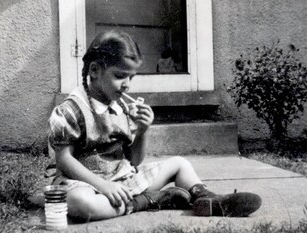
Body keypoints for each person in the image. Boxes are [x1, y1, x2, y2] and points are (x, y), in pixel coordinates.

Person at [47, 30, 261, 222]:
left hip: (121, 181)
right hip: (84, 183)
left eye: (131, 77)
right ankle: (148, 201)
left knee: (179, 164)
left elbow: (134, 161)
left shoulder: (120, 107)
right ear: (94, 70)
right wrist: (103, 186)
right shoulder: (71, 110)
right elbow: (64, 160)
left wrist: (142, 131)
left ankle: (208, 199)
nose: (127, 85)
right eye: (119, 76)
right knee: (79, 203)